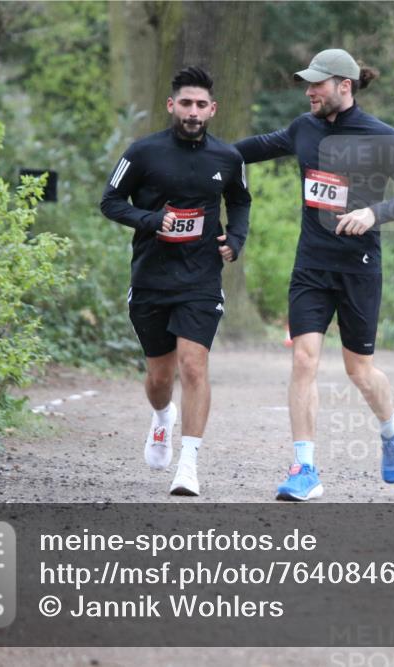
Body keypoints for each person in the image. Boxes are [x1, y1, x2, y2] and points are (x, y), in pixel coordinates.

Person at [235, 49, 394, 501]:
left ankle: (391, 429)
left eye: (318, 84)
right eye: (308, 83)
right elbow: (248, 150)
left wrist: (373, 212)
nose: (309, 91)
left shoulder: (382, 137)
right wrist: (191, 152)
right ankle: (304, 469)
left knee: (359, 371)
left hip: (358, 269)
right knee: (304, 360)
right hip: (311, 264)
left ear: (344, 86)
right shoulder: (303, 129)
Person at [100, 66, 251, 497]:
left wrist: (235, 240)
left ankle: (189, 464)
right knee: (160, 378)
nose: (193, 112)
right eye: (186, 103)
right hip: (152, 277)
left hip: (201, 277)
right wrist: (151, 220)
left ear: (213, 109)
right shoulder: (142, 153)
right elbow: (110, 201)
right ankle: (163, 416)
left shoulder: (228, 158)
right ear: (172, 105)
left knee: (193, 365)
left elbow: (240, 201)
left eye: (201, 105)